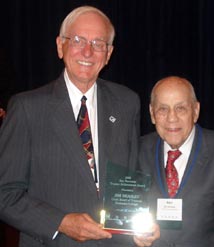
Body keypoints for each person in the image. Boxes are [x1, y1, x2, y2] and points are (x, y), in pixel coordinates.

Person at [0, 6, 159, 247]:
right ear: (59, 46)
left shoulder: (127, 102)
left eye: (98, 43)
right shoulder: (26, 109)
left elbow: (130, 177)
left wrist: (142, 222)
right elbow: (4, 194)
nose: (88, 51)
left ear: (108, 54)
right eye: (77, 40)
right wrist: (60, 222)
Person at [138, 76, 214, 247]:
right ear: (152, 113)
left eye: (181, 108)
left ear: (196, 111)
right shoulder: (137, 151)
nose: (172, 118)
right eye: (163, 109)